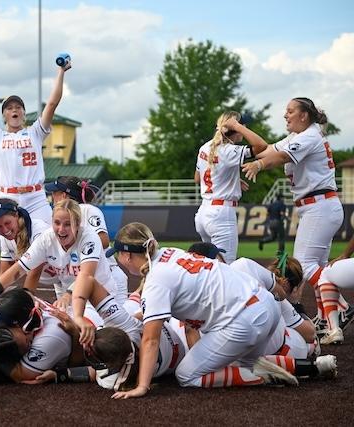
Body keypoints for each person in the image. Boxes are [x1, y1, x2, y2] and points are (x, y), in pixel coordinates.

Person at [106, 222, 299, 400]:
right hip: (267, 307)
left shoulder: (156, 280)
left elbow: (151, 340)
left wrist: (142, 386)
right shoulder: (170, 252)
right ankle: (309, 367)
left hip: (244, 320)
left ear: (127, 255)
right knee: (242, 365)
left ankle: (264, 378)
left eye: (118, 254)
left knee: (186, 375)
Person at [241, 97, 351, 345]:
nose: (285, 115)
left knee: (306, 267)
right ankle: (329, 318)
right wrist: (241, 134)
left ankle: (340, 309)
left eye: (290, 111)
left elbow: (278, 158)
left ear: (304, 115)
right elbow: (269, 149)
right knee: (318, 266)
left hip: (319, 206)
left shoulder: (309, 136)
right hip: (318, 206)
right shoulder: (298, 136)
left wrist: (258, 165)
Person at [0, 58, 71, 282]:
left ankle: (62, 292)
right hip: (6, 199)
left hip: (36, 199)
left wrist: (60, 71)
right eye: (9, 108)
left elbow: (52, 104)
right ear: (4, 115)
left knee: (56, 244)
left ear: (24, 113)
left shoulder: (35, 132)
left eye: (18, 107)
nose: (14, 109)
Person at [0, 199, 125, 315]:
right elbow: (19, 268)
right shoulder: (47, 238)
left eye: (68, 224)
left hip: (100, 300)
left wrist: (67, 296)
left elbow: (86, 275)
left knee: (81, 332)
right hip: (71, 300)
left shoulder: (89, 238)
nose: (61, 230)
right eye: (57, 223)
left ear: (78, 224)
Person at [194, 111, 268, 264]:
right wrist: (238, 127)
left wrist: (228, 180)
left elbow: (197, 178)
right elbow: (261, 146)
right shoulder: (228, 150)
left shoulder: (205, 147)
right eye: (242, 125)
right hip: (221, 214)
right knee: (226, 270)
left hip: (203, 212)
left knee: (208, 268)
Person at [45, 176, 128, 300]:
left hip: (105, 275)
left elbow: (104, 240)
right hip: (80, 279)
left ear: (64, 195)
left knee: (114, 319)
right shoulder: (60, 216)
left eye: (54, 193)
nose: (52, 197)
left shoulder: (87, 209)